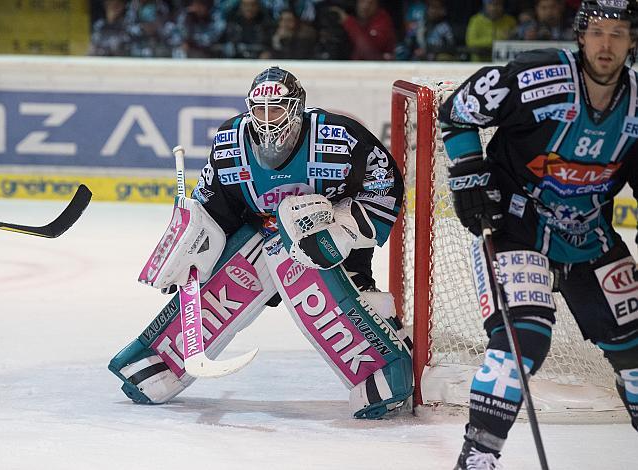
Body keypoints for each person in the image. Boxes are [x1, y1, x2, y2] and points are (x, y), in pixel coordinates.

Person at [109, 66, 414, 420]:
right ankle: (156, 359)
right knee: (224, 282)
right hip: (258, 235)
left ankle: (386, 356)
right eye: (261, 110)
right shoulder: (230, 142)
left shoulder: (339, 136)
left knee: (339, 274)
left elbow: (385, 184)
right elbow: (212, 206)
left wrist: (344, 230)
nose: (268, 120)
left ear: (296, 107)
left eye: (277, 109)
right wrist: (189, 251)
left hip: (328, 242)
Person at [438, 1, 638, 468]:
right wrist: (469, 174)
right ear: (581, 36)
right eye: (597, 33)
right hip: (515, 224)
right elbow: (458, 111)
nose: (606, 44)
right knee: (523, 340)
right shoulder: (540, 76)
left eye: (619, 33)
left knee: (633, 348)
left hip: (588, 232)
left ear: (632, 41)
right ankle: (478, 455)